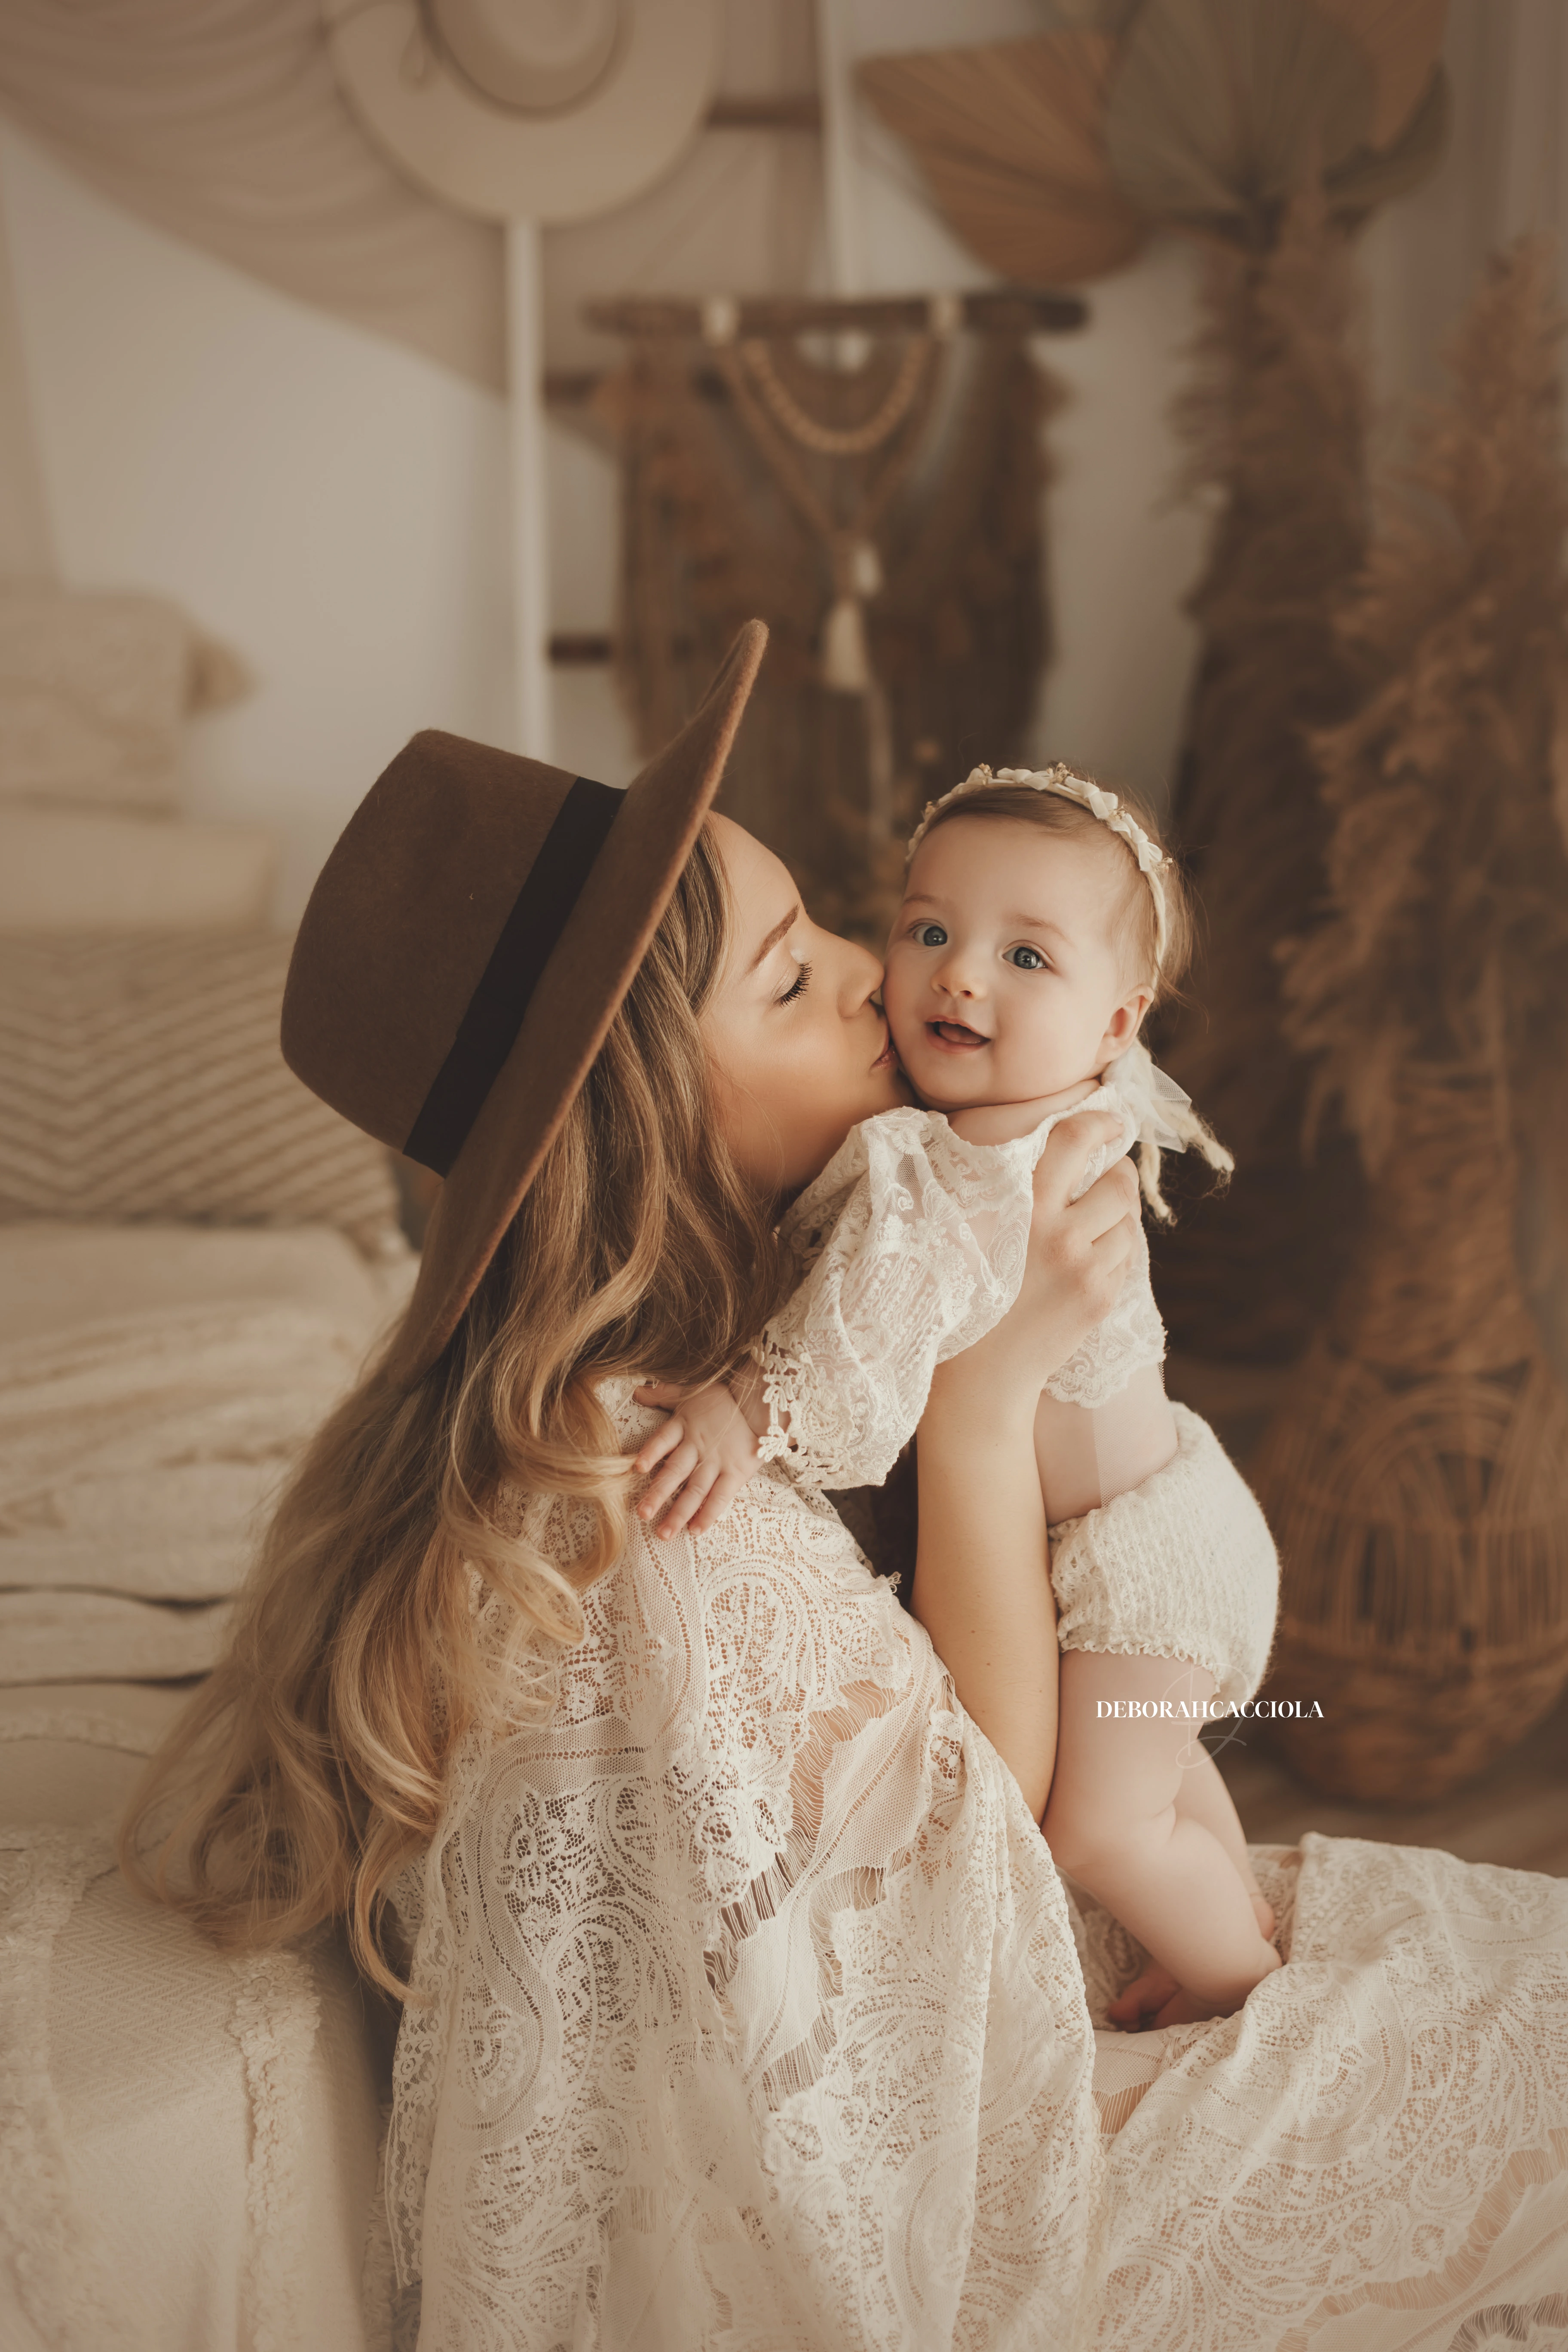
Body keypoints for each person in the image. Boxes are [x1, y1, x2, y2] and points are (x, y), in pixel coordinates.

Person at [121, 627, 1568, 2347]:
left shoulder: (776, 1307)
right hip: (997, 2084)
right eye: (800, 981)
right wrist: (987, 1390)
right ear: (648, 1111)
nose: (891, 983)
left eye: (833, 929)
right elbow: (1007, 1835)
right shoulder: (655, 1506)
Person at [631, 762, 1280, 2031]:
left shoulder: (983, 1169)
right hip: (1156, 1527)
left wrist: (742, 1407)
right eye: (930, 929)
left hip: (1144, 1568)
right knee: (1155, 1766)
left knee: (1099, 1834)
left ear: (1115, 1026)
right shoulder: (1022, 1126)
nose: (955, 976)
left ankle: (1241, 1986)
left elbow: (866, 1329)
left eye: (1026, 958)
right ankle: (1229, 1897)